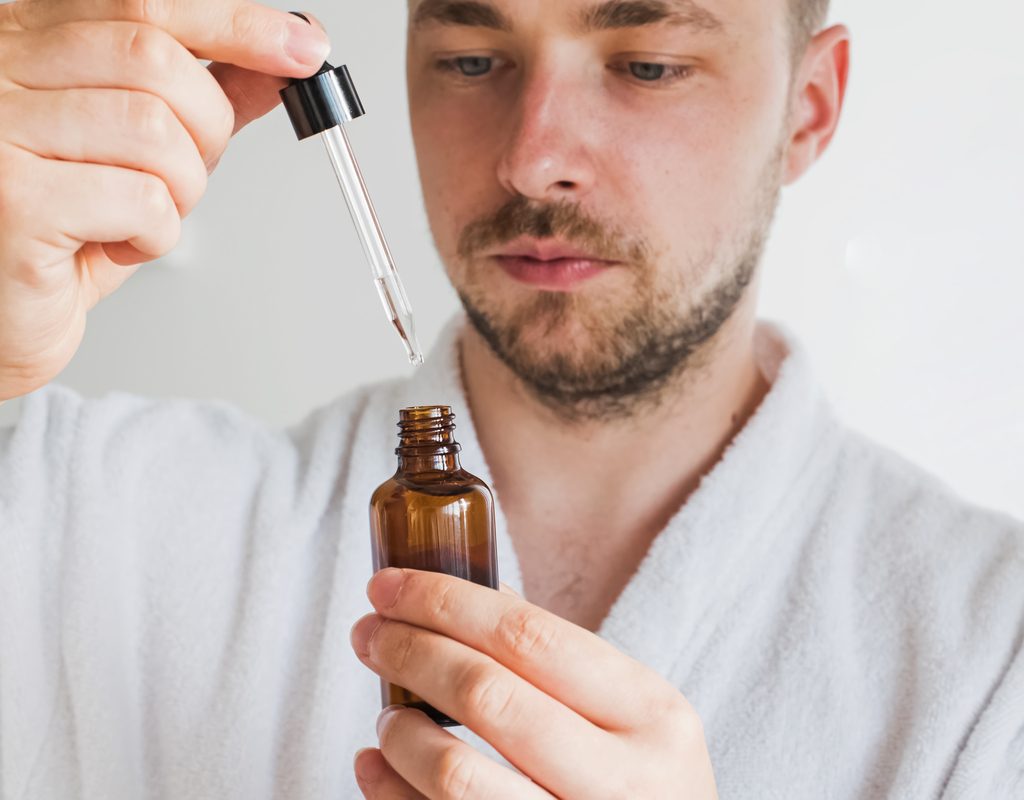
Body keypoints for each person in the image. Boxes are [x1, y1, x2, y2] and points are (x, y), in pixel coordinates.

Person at [0, 0, 1021, 797]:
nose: (532, 157)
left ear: (808, 108)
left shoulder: (991, 659)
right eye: (471, 61)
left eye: (647, 64)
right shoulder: (85, 515)